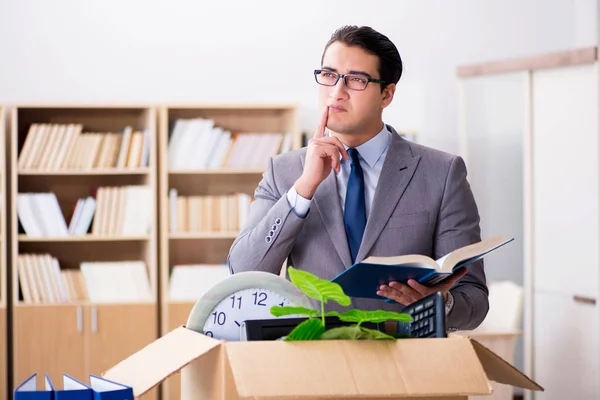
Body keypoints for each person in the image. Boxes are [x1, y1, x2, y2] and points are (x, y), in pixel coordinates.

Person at [227, 25, 488, 331]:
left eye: (356, 80)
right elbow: (244, 273)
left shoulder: (441, 172)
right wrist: (303, 189)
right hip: (311, 364)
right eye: (328, 75)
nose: (336, 92)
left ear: (386, 94)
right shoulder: (284, 171)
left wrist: (439, 302)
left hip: (406, 365)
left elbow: (475, 300)